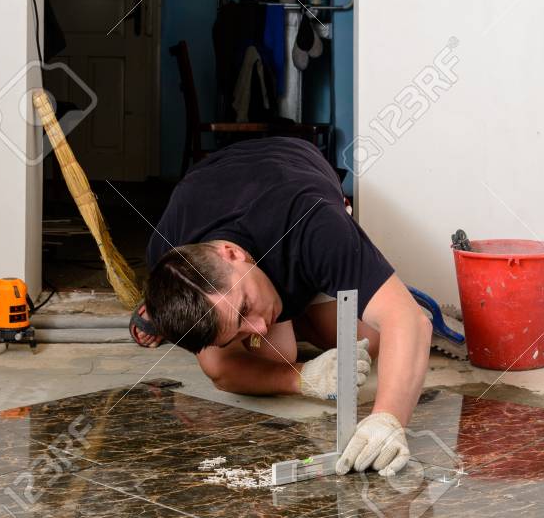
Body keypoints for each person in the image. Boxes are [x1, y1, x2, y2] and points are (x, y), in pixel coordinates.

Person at [132, 137, 431, 476]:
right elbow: (222, 369)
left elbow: (411, 322)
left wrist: (387, 419)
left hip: (291, 171)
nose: (258, 328)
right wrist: (303, 378)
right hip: (211, 185)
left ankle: (310, 303)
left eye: (245, 308)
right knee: (253, 358)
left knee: (374, 339)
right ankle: (284, 327)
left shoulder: (314, 223)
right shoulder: (167, 255)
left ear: (232, 253)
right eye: (239, 328)